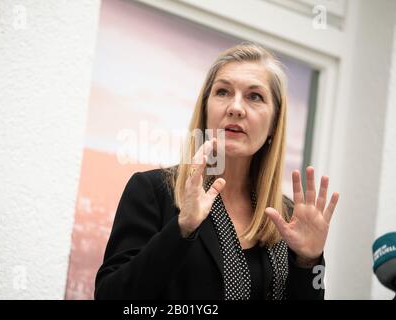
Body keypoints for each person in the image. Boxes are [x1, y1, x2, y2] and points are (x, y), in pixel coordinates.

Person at [94, 42, 340, 300]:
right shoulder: (153, 192)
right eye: (223, 92)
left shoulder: (288, 217)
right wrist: (182, 229)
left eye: (254, 96)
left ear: (273, 125)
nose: (235, 107)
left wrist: (309, 262)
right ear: (205, 109)